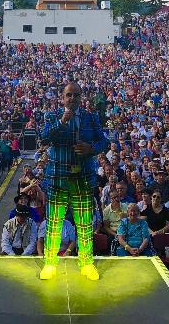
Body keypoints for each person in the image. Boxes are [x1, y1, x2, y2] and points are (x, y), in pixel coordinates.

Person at [38, 82, 108, 281]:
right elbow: (43, 139)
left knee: (85, 223)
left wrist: (91, 149)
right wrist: (61, 122)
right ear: (62, 97)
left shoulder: (91, 117)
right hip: (58, 179)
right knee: (54, 222)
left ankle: (86, 263)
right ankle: (50, 263)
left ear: (81, 97)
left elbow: (105, 142)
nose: (72, 99)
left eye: (76, 95)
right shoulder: (52, 116)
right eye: (69, 95)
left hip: (83, 179)